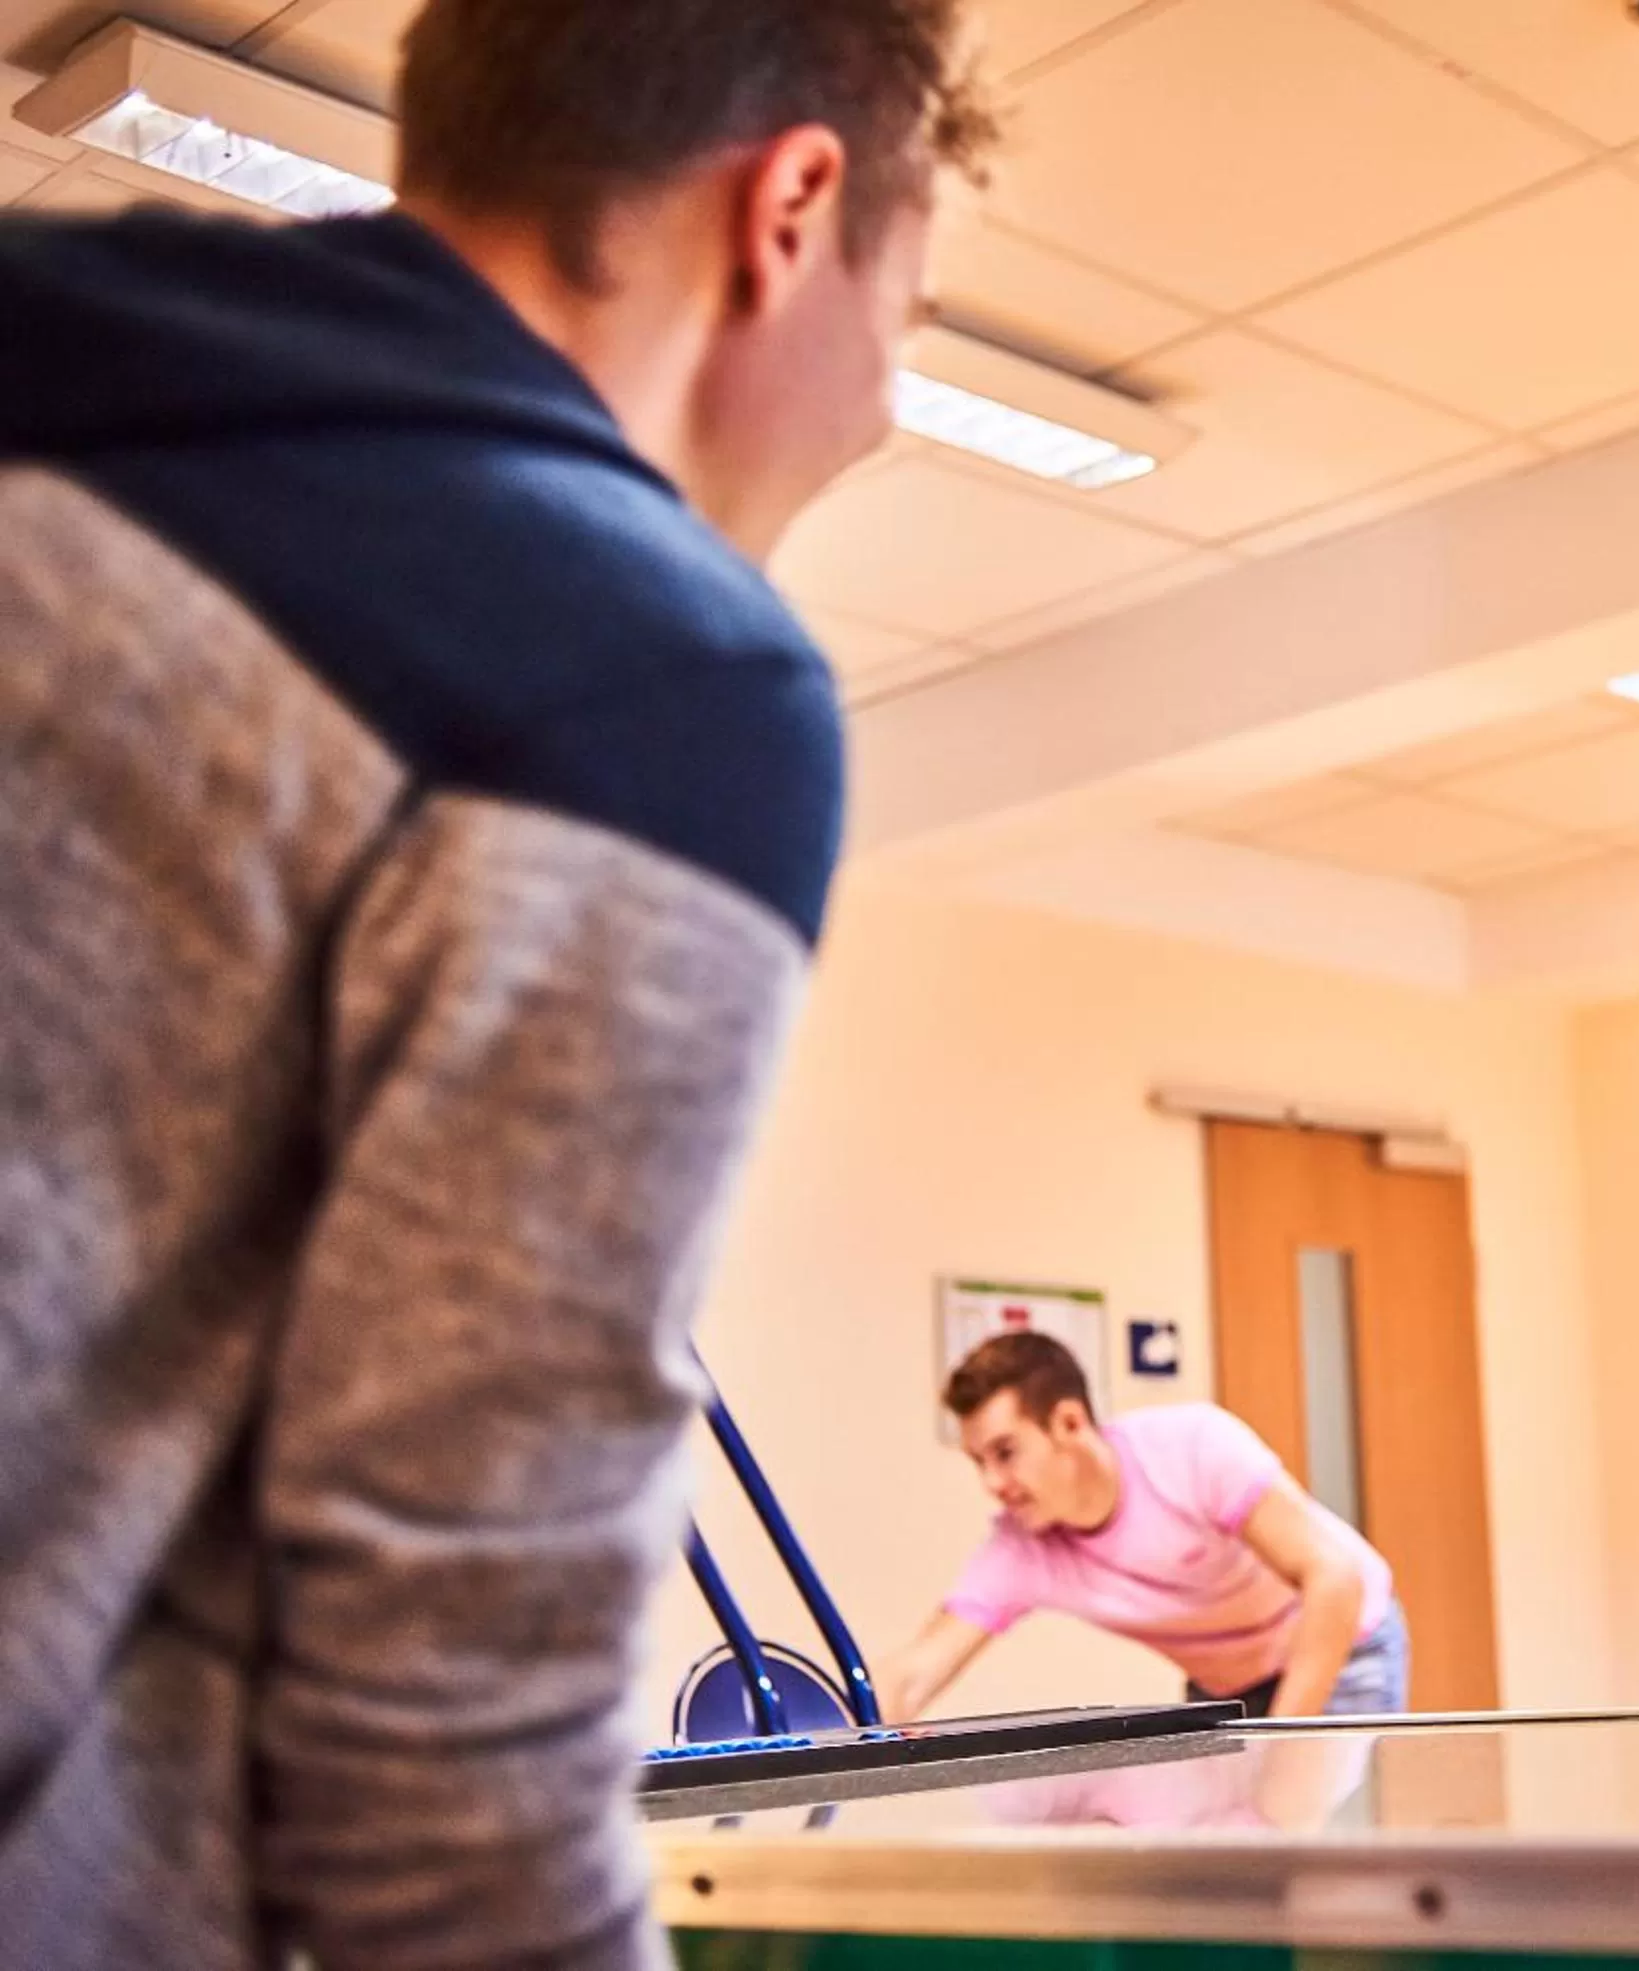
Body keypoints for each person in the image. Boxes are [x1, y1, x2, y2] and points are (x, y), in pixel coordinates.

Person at [0, 3, 992, 1965]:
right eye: (905, 321)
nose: (878, 405)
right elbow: (449, 1743)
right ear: (790, 209)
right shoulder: (641, 670)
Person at [885, 1334, 1409, 1721]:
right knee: (1228, 1854)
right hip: (1225, 1687)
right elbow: (913, 1674)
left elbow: (1335, 1578)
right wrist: (831, 1729)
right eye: (980, 1462)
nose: (993, 1483)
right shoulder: (1023, 1546)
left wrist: (1281, 1750)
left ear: (1069, 1423)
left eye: (1006, 1453)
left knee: (1301, 1832)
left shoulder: (1193, 1448)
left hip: (1341, 1644)